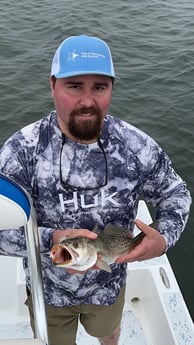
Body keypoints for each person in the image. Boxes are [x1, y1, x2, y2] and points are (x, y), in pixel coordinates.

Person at [0, 34, 191, 345]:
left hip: (109, 286)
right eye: (74, 86)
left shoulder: (136, 147)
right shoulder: (21, 151)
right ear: (52, 85)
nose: (87, 101)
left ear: (111, 89)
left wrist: (163, 237)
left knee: (108, 334)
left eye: (99, 87)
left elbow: (176, 194)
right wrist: (51, 240)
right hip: (48, 291)